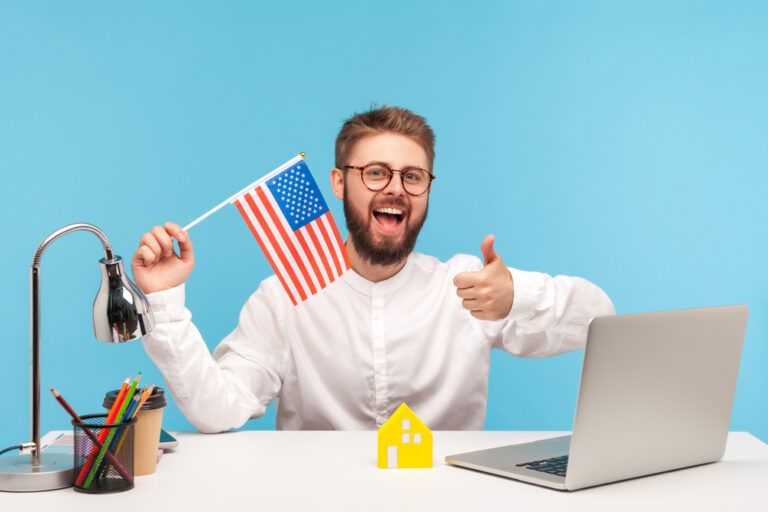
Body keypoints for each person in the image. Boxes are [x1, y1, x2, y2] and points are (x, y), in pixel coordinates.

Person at [133, 106, 615, 432]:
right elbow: (217, 411)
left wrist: (519, 294)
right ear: (340, 184)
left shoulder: (469, 286)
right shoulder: (286, 295)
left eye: (413, 176)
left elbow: (599, 321)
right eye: (377, 172)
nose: (396, 188)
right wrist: (165, 301)